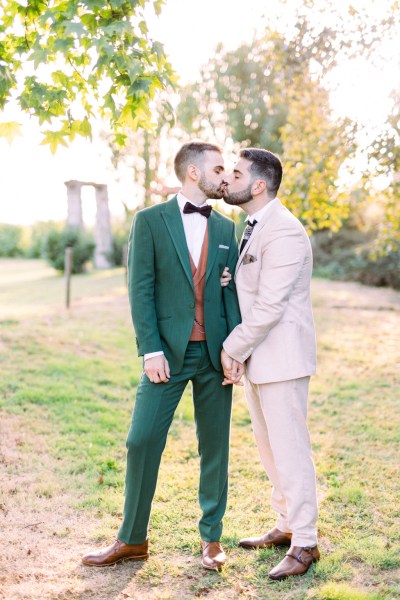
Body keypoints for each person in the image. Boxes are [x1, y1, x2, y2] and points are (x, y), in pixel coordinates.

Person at [81, 141, 241, 571]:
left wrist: (234, 351)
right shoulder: (149, 221)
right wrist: (150, 349)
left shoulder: (227, 228)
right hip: (165, 355)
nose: (225, 175)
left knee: (215, 448)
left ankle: (212, 539)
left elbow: (230, 294)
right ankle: (132, 539)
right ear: (193, 172)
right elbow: (141, 289)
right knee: (141, 440)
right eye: (219, 168)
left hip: (214, 355)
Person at [221, 148, 319, 581]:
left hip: (281, 357)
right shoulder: (254, 225)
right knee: (268, 448)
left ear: (258, 185)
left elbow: (270, 305)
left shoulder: (285, 231)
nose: (228, 179)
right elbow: (250, 288)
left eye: (237, 173)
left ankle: (306, 542)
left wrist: (233, 348)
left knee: (291, 449)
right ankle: (285, 524)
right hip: (261, 359)